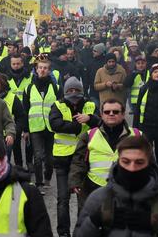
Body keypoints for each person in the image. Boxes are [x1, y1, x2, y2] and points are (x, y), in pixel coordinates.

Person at [74, 136, 158, 237]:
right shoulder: (99, 199)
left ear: (149, 163)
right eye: (126, 162)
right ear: (118, 162)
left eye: (139, 162)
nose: (132, 168)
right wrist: (95, 221)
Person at [49, 77, 100, 237]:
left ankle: (81, 231)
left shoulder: (90, 105)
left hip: (84, 160)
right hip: (62, 160)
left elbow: (102, 123)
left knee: (82, 200)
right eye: (70, 91)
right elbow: (55, 125)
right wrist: (79, 125)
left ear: (81, 91)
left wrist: (90, 118)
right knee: (63, 200)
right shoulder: (58, 105)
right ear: (65, 92)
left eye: (76, 90)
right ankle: (63, 233)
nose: (73, 93)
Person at [69, 98, 141, 210]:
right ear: (101, 115)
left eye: (115, 112)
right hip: (94, 190)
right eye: (107, 112)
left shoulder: (137, 135)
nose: (111, 114)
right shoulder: (89, 136)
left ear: (123, 114)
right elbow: (78, 161)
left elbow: (149, 163)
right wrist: (75, 181)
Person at [22, 55, 62, 191]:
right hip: (35, 127)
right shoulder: (28, 88)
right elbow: (25, 110)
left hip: (51, 127)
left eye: (45, 68)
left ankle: (47, 178)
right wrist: (25, 130)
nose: (42, 70)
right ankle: (39, 183)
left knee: (50, 159)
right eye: (40, 68)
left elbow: (61, 107)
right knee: (38, 156)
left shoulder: (56, 88)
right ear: (36, 69)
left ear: (49, 70)